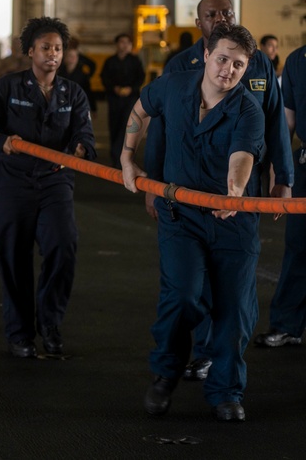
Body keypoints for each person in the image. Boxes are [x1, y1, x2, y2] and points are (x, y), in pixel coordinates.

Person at [144, 0, 292, 381]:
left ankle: (215, 361)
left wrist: (283, 179)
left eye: (226, 12)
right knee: (190, 286)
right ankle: (191, 354)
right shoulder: (180, 68)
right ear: (200, 26)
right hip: (185, 194)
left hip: (237, 195)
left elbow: (274, 122)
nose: (220, 18)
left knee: (233, 287)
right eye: (211, 15)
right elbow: (157, 125)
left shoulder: (258, 62)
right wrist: (151, 181)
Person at [121, 23, 264, 423]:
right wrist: (127, 156)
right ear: (205, 55)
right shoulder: (173, 86)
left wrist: (234, 191)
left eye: (238, 65)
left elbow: (242, 157)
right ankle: (166, 373)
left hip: (232, 222)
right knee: (182, 296)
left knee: (234, 311)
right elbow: (141, 109)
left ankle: (225, 391)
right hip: (180, 216)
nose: (228, 71)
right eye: (222, 59)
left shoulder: (247, 109)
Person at [0, 18, 96, 357]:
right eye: (45, 48)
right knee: (14, 256)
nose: (52, 54)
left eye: (57, 48)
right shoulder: (8, 87)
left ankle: (50, 324)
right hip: (13, 181)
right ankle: (20, 333)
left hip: (55, 180)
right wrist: (1, 142)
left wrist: (81, 148)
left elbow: (85, 133)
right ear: (30, 52)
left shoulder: (73, 93)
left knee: (63, 245)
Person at [252, 41, 306, 348]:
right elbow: (286, 121)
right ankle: (287, 325)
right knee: (298, 245)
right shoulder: (298, 60)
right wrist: (279, 170)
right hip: (305, 163)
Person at [99, 33, 145, 165]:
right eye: (122, 42)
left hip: (131, 98)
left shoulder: (135, 61)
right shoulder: (110, 61)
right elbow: (104, 77)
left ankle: (123, 155)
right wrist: (114, 88)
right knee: (114, 125)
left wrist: (131, 88)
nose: (124, 45)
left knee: (127, 125)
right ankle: (115, 156)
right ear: (117, 44)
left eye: (127, 43)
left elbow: (140, 77)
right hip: (114, 98)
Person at [58, 38, 97, 111]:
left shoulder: (82, 76)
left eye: (75, 57)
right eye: (70, 56)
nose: (72, 58)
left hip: (78, 104)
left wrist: (89, 76)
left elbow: (88, 92)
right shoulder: (59, 74)